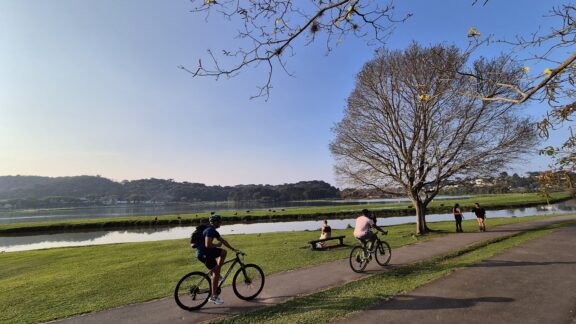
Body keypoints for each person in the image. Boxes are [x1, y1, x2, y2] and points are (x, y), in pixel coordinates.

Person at [196, 214, 238, 305]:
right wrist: (217, 245)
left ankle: (217, 272)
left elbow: (223, 241)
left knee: (223, 252)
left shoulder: (213, 231)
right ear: (215, 222)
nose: (220, 223)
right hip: (205, 254)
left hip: (207, 253)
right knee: (215, 272)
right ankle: (213, 297)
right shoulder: (210, 231)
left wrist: (233, 249)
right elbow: (208, 244)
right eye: (219, 221)